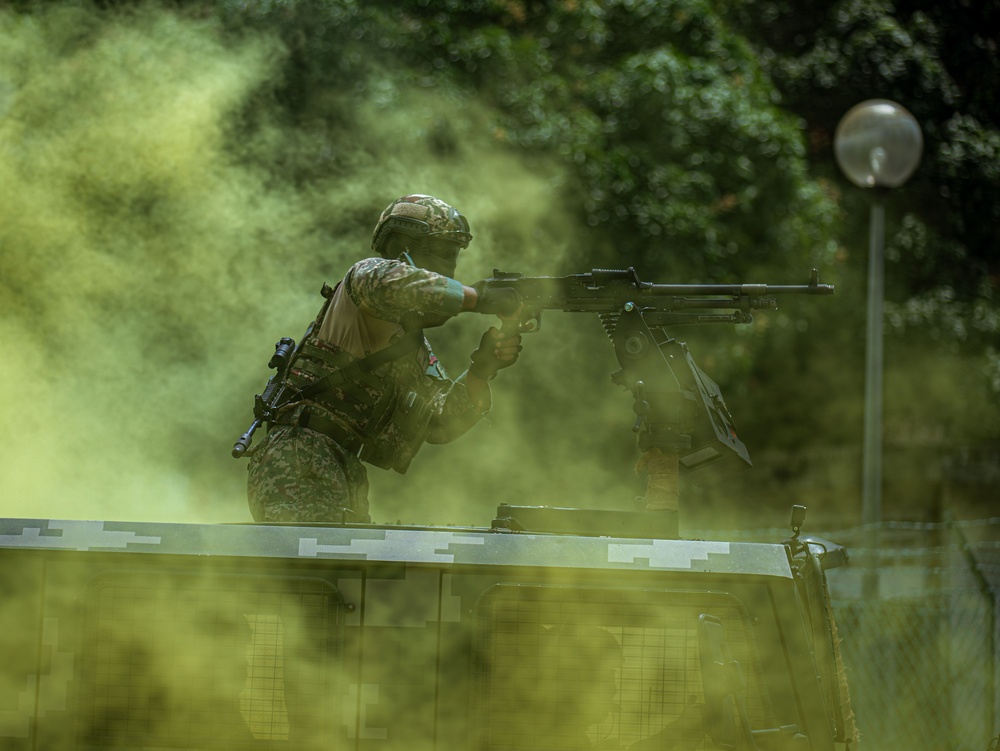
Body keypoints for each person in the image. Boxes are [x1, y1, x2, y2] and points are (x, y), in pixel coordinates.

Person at [246, 194, 522, 524]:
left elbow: (440, 423)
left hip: (341, 464)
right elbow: (390, 284)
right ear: (402, 246)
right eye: (445, 252)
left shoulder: (411, 345)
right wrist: (478, 298)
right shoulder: (367, 277)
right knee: (305, 571)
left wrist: (483, 368)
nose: (451, 266)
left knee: (332, 573)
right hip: (301, 454)